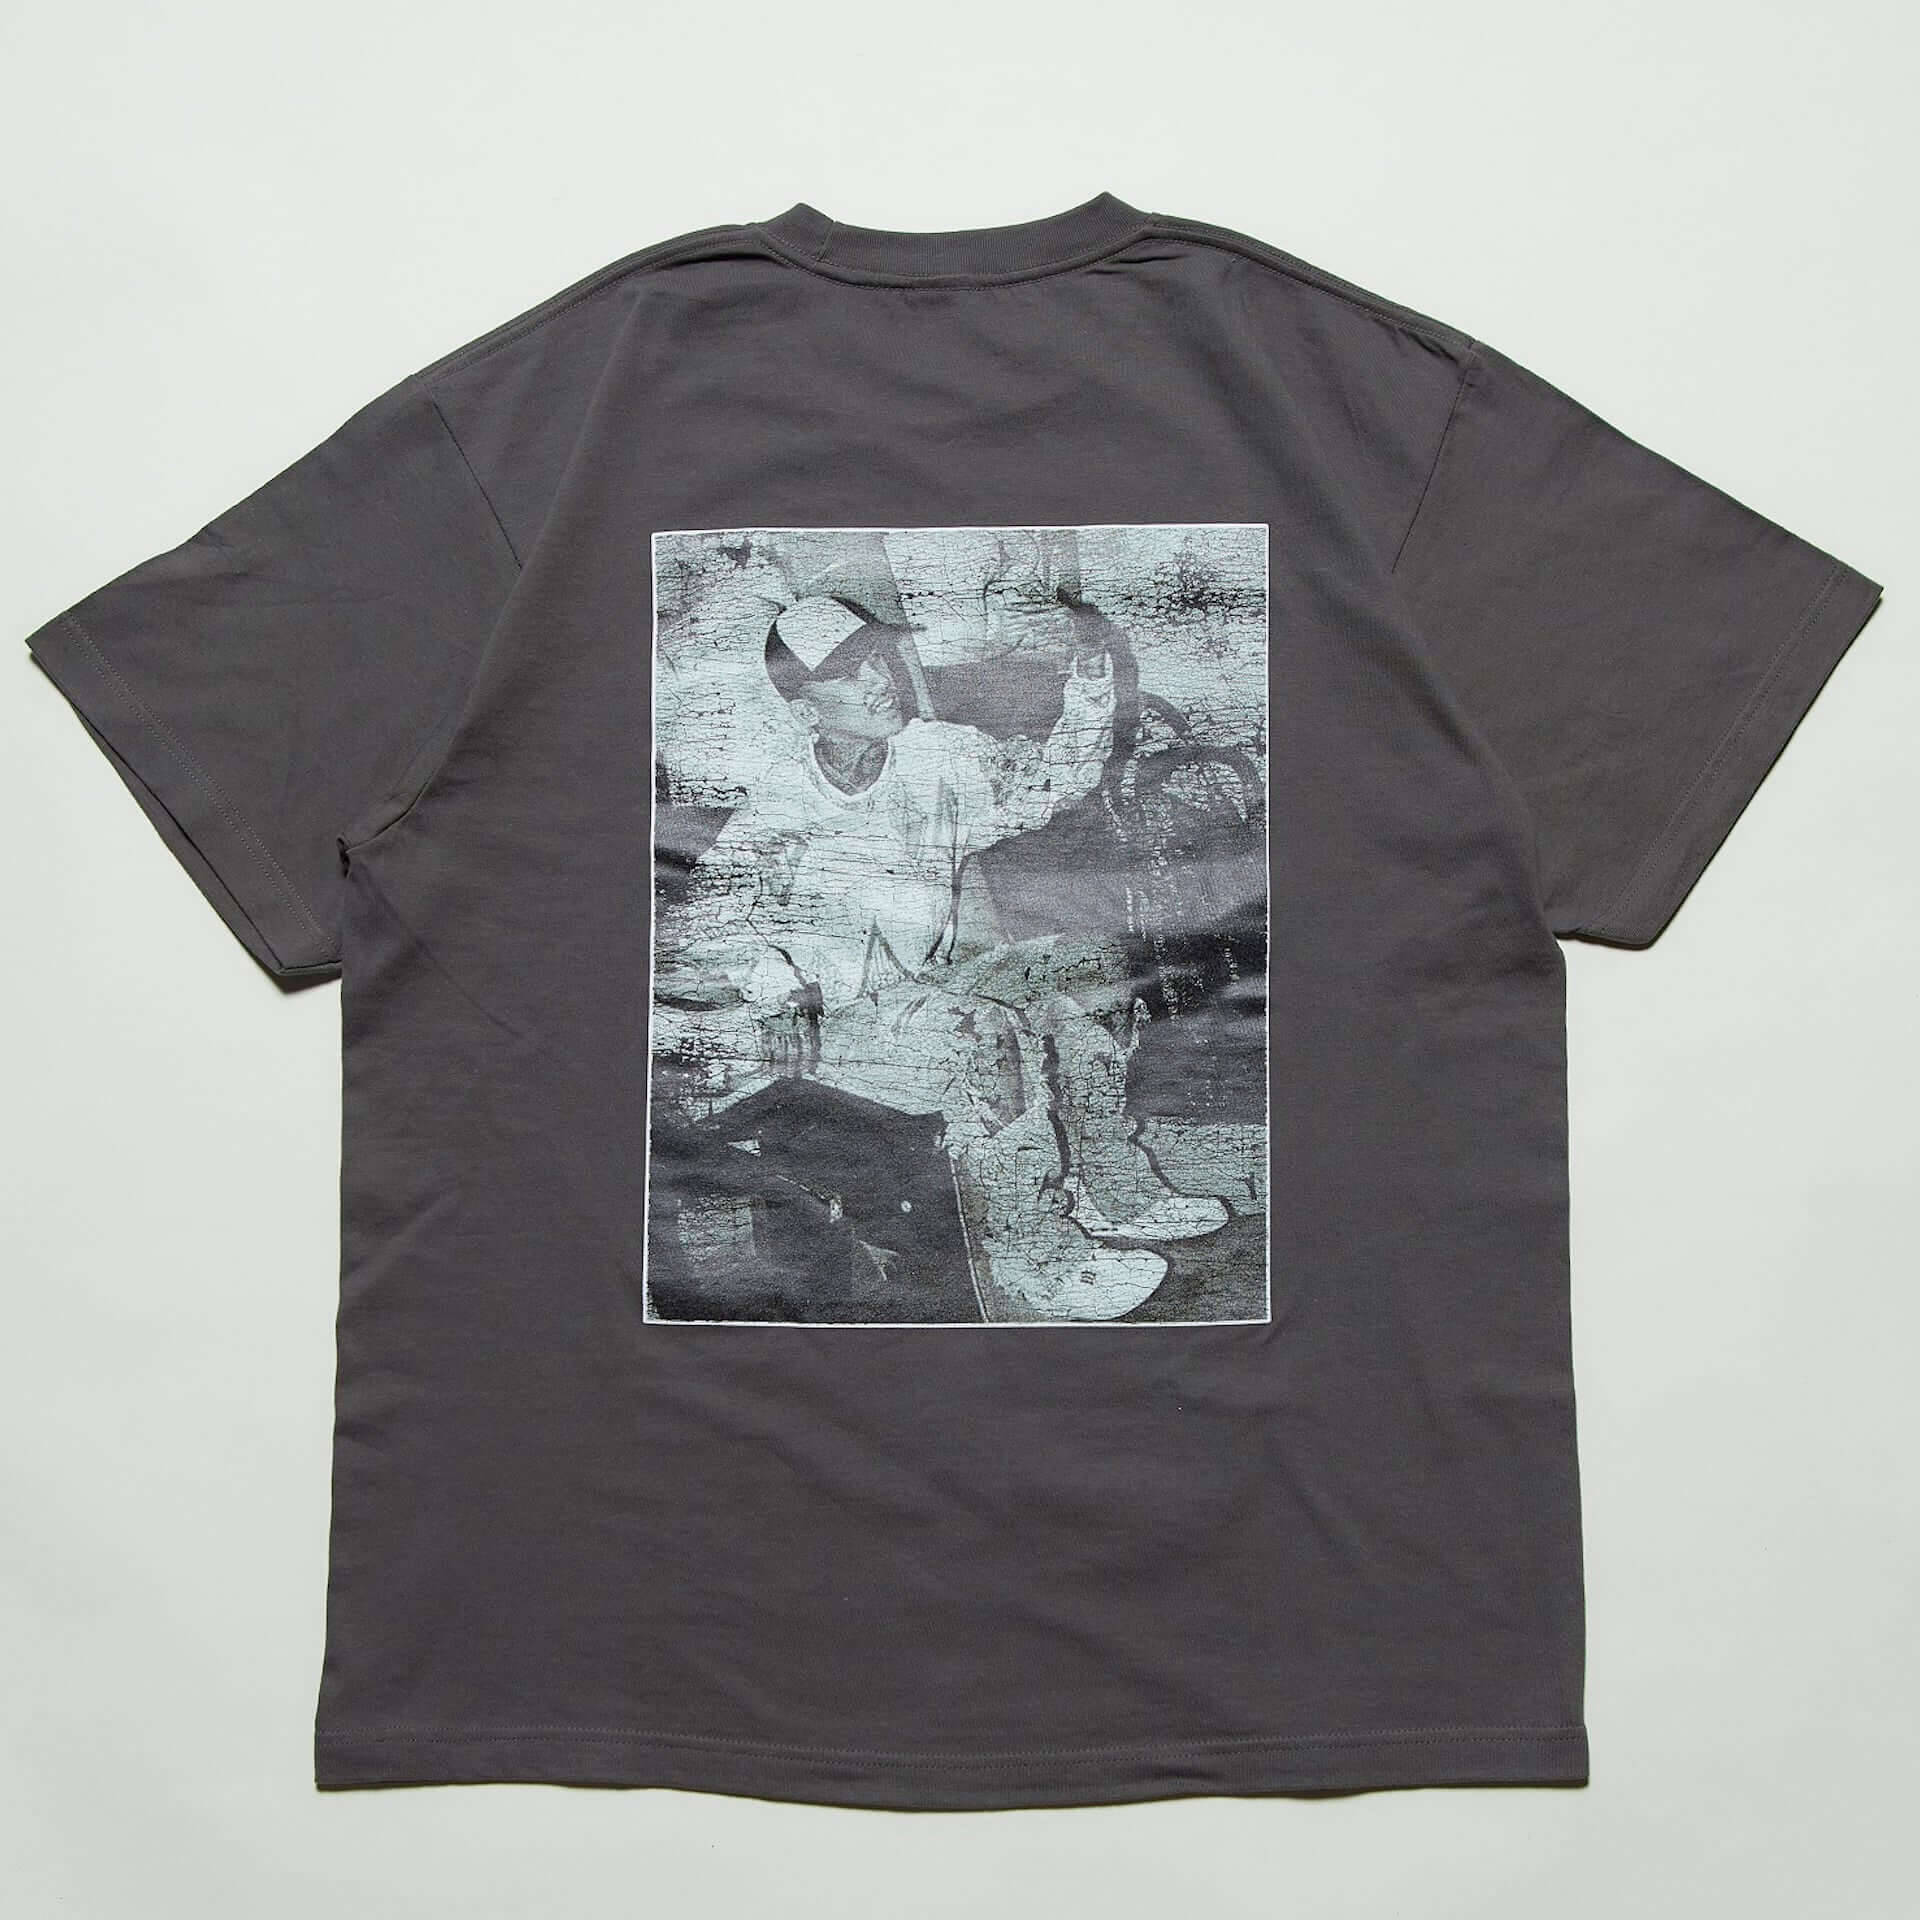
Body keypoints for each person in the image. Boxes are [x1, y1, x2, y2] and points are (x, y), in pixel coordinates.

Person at [657, 591, 1230, 1321]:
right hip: (829, 1030)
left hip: (925, 989)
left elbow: (1057, 779)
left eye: (875, 659)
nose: (878, 680)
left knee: (1088, 964)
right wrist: (776, 984)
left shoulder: (939, 755)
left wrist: (1089, 669)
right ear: (805, 711)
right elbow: (695, 927)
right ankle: (1034, 1258)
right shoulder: (781, 803)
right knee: (985, 1031)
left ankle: (1114, 1189)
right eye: (848, 674)